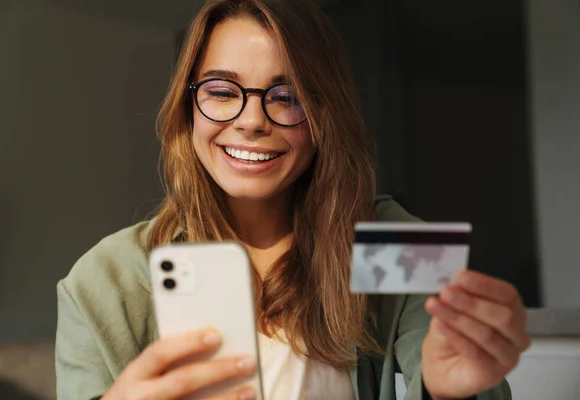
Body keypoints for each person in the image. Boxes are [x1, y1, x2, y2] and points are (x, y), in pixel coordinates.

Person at [55, 0, 531, 399]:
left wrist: (451, 392)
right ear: (187, 106)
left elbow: (458, 367)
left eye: (287, 96)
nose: (252, 121)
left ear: (326, 116)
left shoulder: (397, 243)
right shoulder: (102, 280)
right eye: (222, 91)